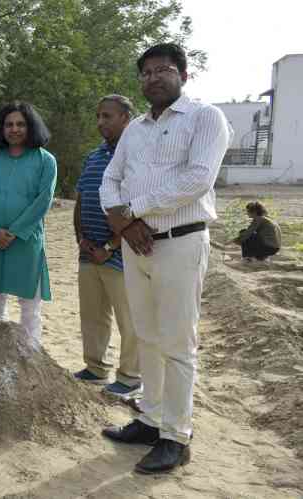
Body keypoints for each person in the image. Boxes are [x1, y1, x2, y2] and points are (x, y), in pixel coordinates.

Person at [99, 43, 232, 474]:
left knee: (177, 341)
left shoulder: (205, 118)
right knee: (146, 335)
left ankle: (176, 435)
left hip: (180, 241)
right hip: (135, 244)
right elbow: (110, 179)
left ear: (184, 75)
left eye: (164, 70)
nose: (154, 77)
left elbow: (197, 180)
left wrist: (133, 211)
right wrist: (123, 224)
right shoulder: (135, 128)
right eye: (147, 72)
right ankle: (151, 419)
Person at [73, 95, 141, 397]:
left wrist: (110, 246)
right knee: (93, 314)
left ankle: (129, 377)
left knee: (130, 319)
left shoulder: (138, 157)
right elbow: (82, 199)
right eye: (98, 116)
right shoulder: (94, 156)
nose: (100, 122)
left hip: (121, 254)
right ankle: (96, 367)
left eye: (107, 116)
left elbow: (137, 209)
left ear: (126, 118)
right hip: (88, 253)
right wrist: (82, 239)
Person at [0, 102, 57, 345]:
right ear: (1, 128)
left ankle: (31, 355)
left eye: (21, 124)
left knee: (30, 306)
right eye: (9, 124)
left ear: (31, 127)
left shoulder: (46, 160)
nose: (14, 129)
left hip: (26, 240)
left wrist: (15, 232)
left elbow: (44, 201)